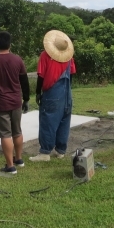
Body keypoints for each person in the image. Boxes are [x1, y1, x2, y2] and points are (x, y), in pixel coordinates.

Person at [0, 31, 30, 174]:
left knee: (5, 134)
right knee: (17, 131)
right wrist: (26, 99)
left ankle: (10, 166)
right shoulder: (18, 60)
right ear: (10, 44)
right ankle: (19, 159)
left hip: (0, 103)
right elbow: (24, 82)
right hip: (16, 101)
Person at [30, 30, 76, 162]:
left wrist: (38, 92)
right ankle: (61, 150)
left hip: (52, 93)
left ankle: (45, 152)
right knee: (64, 120)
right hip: (67, 93)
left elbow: (41, 76)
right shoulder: (69, 58)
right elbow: (71, 75)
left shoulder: (45, 55)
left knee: (48, 121)